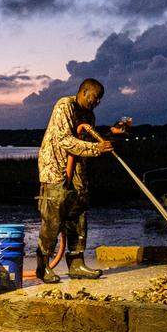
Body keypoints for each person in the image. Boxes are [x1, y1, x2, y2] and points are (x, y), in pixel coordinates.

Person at [35, 79, 128, 283]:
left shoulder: (89, 115)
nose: (97, 102)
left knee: (78, 215)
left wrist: (111, 133)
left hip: (77, 171)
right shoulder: (64, 106)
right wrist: (97, 149)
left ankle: (76, 263)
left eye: (100, 100)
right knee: (53, 216)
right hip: (55, 169)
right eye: (95, 97)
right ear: (84, 92)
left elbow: (87, 139)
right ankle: (43, 266)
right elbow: (66, 141)